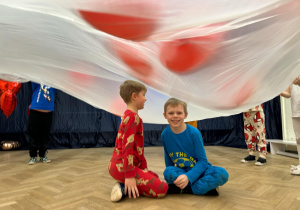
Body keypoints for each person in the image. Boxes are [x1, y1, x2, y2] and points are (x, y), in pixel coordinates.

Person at [108, 80, 168, 202]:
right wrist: (129, 176)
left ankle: (123, 182)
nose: (145, 99)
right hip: (122, 167)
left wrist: (143, 167)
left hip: (119, 165)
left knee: (154, 176)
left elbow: (138, 147)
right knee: (162, 188)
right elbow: (127, 147)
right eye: (144, 95)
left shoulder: (128, 115)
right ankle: (123, 184)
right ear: (134, 96)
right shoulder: (132, 117)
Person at [161, 98, 228, 196]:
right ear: (165, 115)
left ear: (185, 115)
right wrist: (175, 177)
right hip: (182, 171)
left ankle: (186, 188)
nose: (175, 116)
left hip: (201, 170)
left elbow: (203, 161)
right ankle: (201, 188)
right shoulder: (165, 135)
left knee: (222, 174)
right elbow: (169, 162)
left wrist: (189, 177)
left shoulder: (194, 133)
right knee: (168, 172)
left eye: (179, 113)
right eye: (171, 113)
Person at [27, 83, 56, 165]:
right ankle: (33, 156)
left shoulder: (53, 84)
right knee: (33, 134)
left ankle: (43, 155)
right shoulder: (37, 82)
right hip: (35, 112)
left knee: (45, 135)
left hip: (48, 113)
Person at [281, 78, 300, 175]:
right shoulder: (292, 74)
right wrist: (278, 92)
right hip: (296, 112)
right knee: (299, 140)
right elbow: (288, 94)